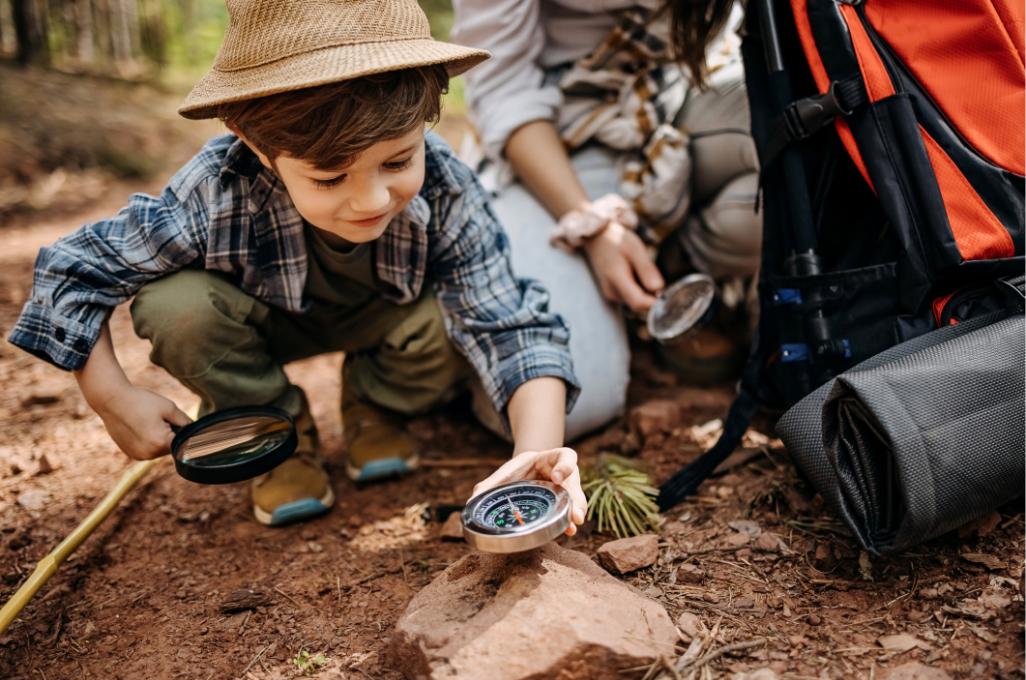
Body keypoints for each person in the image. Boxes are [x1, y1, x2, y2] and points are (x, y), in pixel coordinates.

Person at [7, 0, 588, 531]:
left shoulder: (446, 187)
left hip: (389, 322)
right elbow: (71, 270)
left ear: (430, 109)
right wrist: (111, 396)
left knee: (451, 312)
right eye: (330, 177)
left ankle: (376, 406)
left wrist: (535, 453)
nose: (371, 200)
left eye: (398, 161)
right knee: (172, 306)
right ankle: (275, 431)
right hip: (259, 329)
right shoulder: (218, 191)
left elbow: (508, 325)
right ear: (255, 145)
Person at [452, 0, 762, 439]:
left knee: (803, 133)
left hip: (690, 89)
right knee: (569, 406)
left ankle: (676, 281)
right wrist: (591, 224)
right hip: (564, 136)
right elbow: (505, 93)